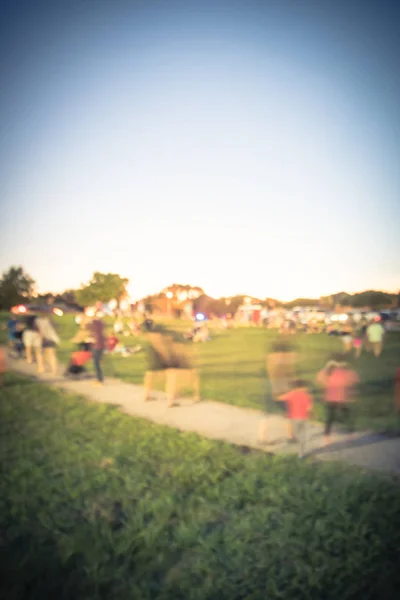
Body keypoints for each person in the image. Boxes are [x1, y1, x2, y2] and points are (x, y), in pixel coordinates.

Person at [316, 357, 359, 445]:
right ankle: (350, 434)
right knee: (345, 416)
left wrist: (328, 366)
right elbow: (353, 380)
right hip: (342, 398)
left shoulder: (328, 372)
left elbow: (320, 378)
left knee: (331, 417)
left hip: (332, 398)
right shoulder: (346, 372)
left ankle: (326, 437)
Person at [277, 379, 313, 457]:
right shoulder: (306, 395)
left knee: (296, 433)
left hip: (293, 417)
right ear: (301, 387)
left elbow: (280, 398)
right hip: (304, 417)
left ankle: (296, 441)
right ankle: (301, 453)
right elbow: (309, 408)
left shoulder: (291, 394)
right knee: (302, 435)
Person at [89, 311, 105, 385]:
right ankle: (99, 379)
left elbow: (87, 327)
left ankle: (99, 380)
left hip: (97, 345)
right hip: (100, 344)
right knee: (97, 362)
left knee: (96, 363)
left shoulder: (94, 323)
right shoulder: (100, 323)